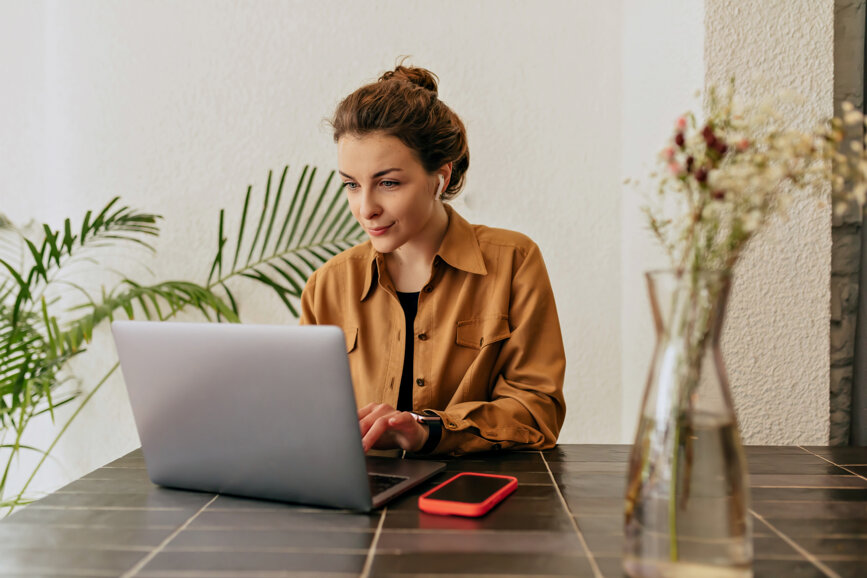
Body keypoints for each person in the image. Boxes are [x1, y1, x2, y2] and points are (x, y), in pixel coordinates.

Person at [300, 63, 566, 457]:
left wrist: (430, 430)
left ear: (439, 179)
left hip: (474, 494)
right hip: (358, 499)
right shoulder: (327, 286)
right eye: (351, 185)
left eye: (388, 183)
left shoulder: (514, 262)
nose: (365, 208)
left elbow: (536, 411)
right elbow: (305, 418)